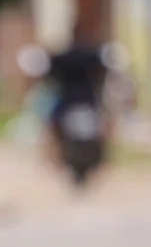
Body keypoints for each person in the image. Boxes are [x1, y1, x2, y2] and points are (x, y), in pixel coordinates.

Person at [45, 23, 109, 153]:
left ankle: (54, 152)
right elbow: (103, 71)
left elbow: (50, 72)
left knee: (52, 123)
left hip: (69, 101)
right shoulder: (92, 55)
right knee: (104, 123)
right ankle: (105, 153)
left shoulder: (63, 57)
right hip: (88, 100)